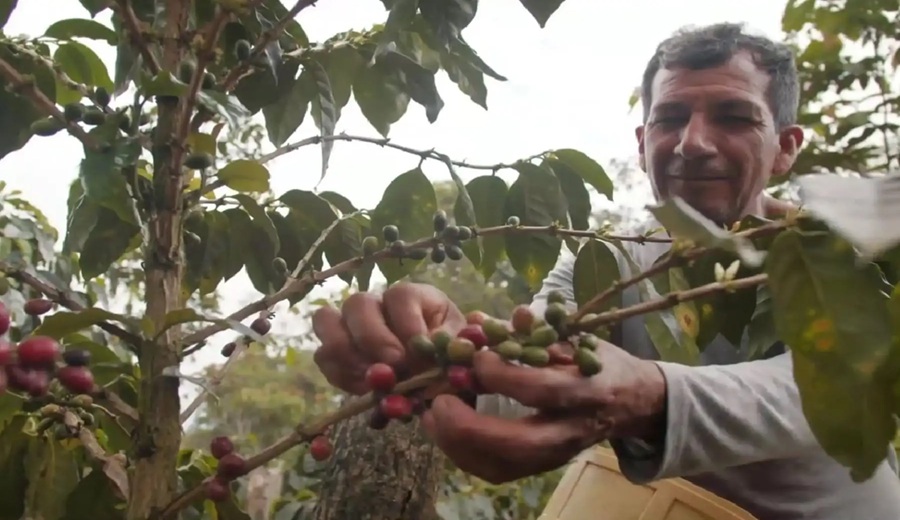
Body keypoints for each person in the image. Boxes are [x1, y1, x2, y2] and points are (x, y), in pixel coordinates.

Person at [311, 22, 900, 520]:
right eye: (670, 118)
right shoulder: (607, 265)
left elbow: (838, 387)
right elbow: (527, 384)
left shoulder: (848, 254)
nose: (693, 143)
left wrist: (655, 396)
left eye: (734, 117)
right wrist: (455, 360)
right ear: (643, 143)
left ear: (786, 147)